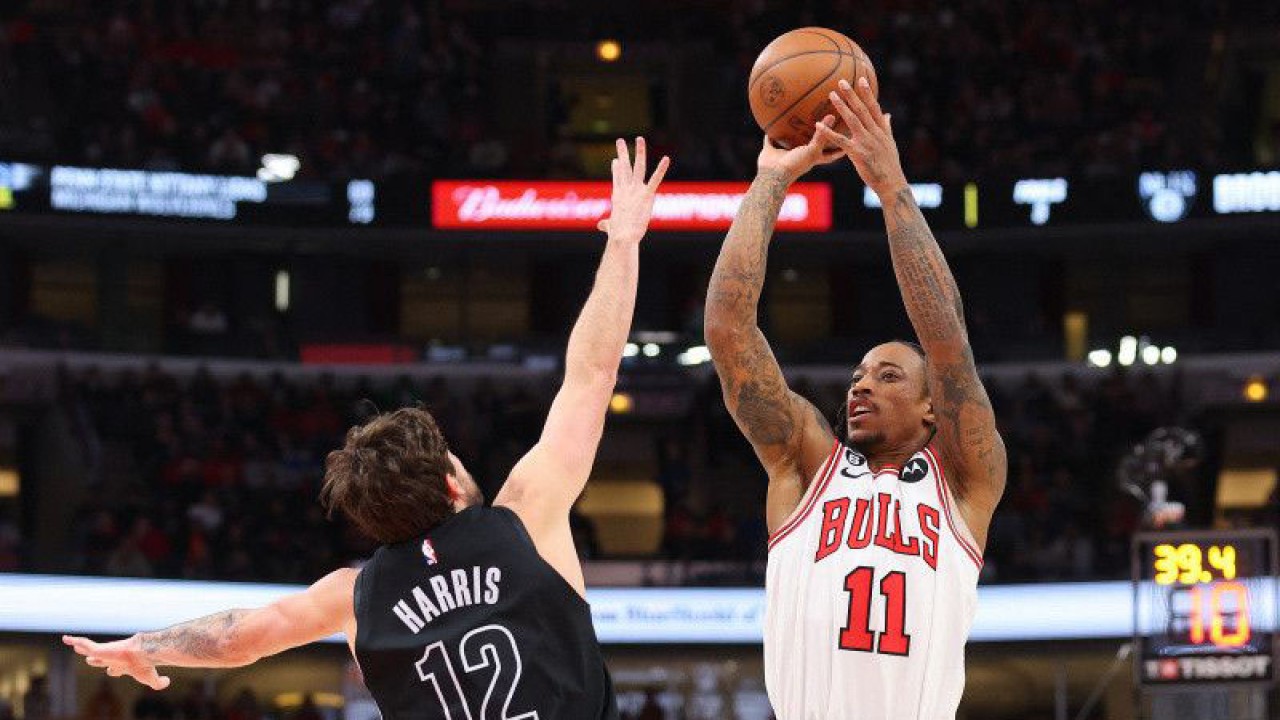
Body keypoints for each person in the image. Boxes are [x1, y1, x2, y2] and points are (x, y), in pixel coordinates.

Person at [63, 138, 671, 720]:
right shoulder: (527, 516)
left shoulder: (354, 596)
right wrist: (623, 240)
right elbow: (592, 372)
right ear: (452, 486)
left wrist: (146, 643)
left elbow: (238, 639)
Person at [704, 77, 1006, 719]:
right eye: (858, 376)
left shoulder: (964, 485)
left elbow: (947, 338)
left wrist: (893, 188)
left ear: (934, 409)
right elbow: (729, 331)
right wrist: (771, 182)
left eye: (889, 375)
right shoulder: (807, 465)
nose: (862, 384)